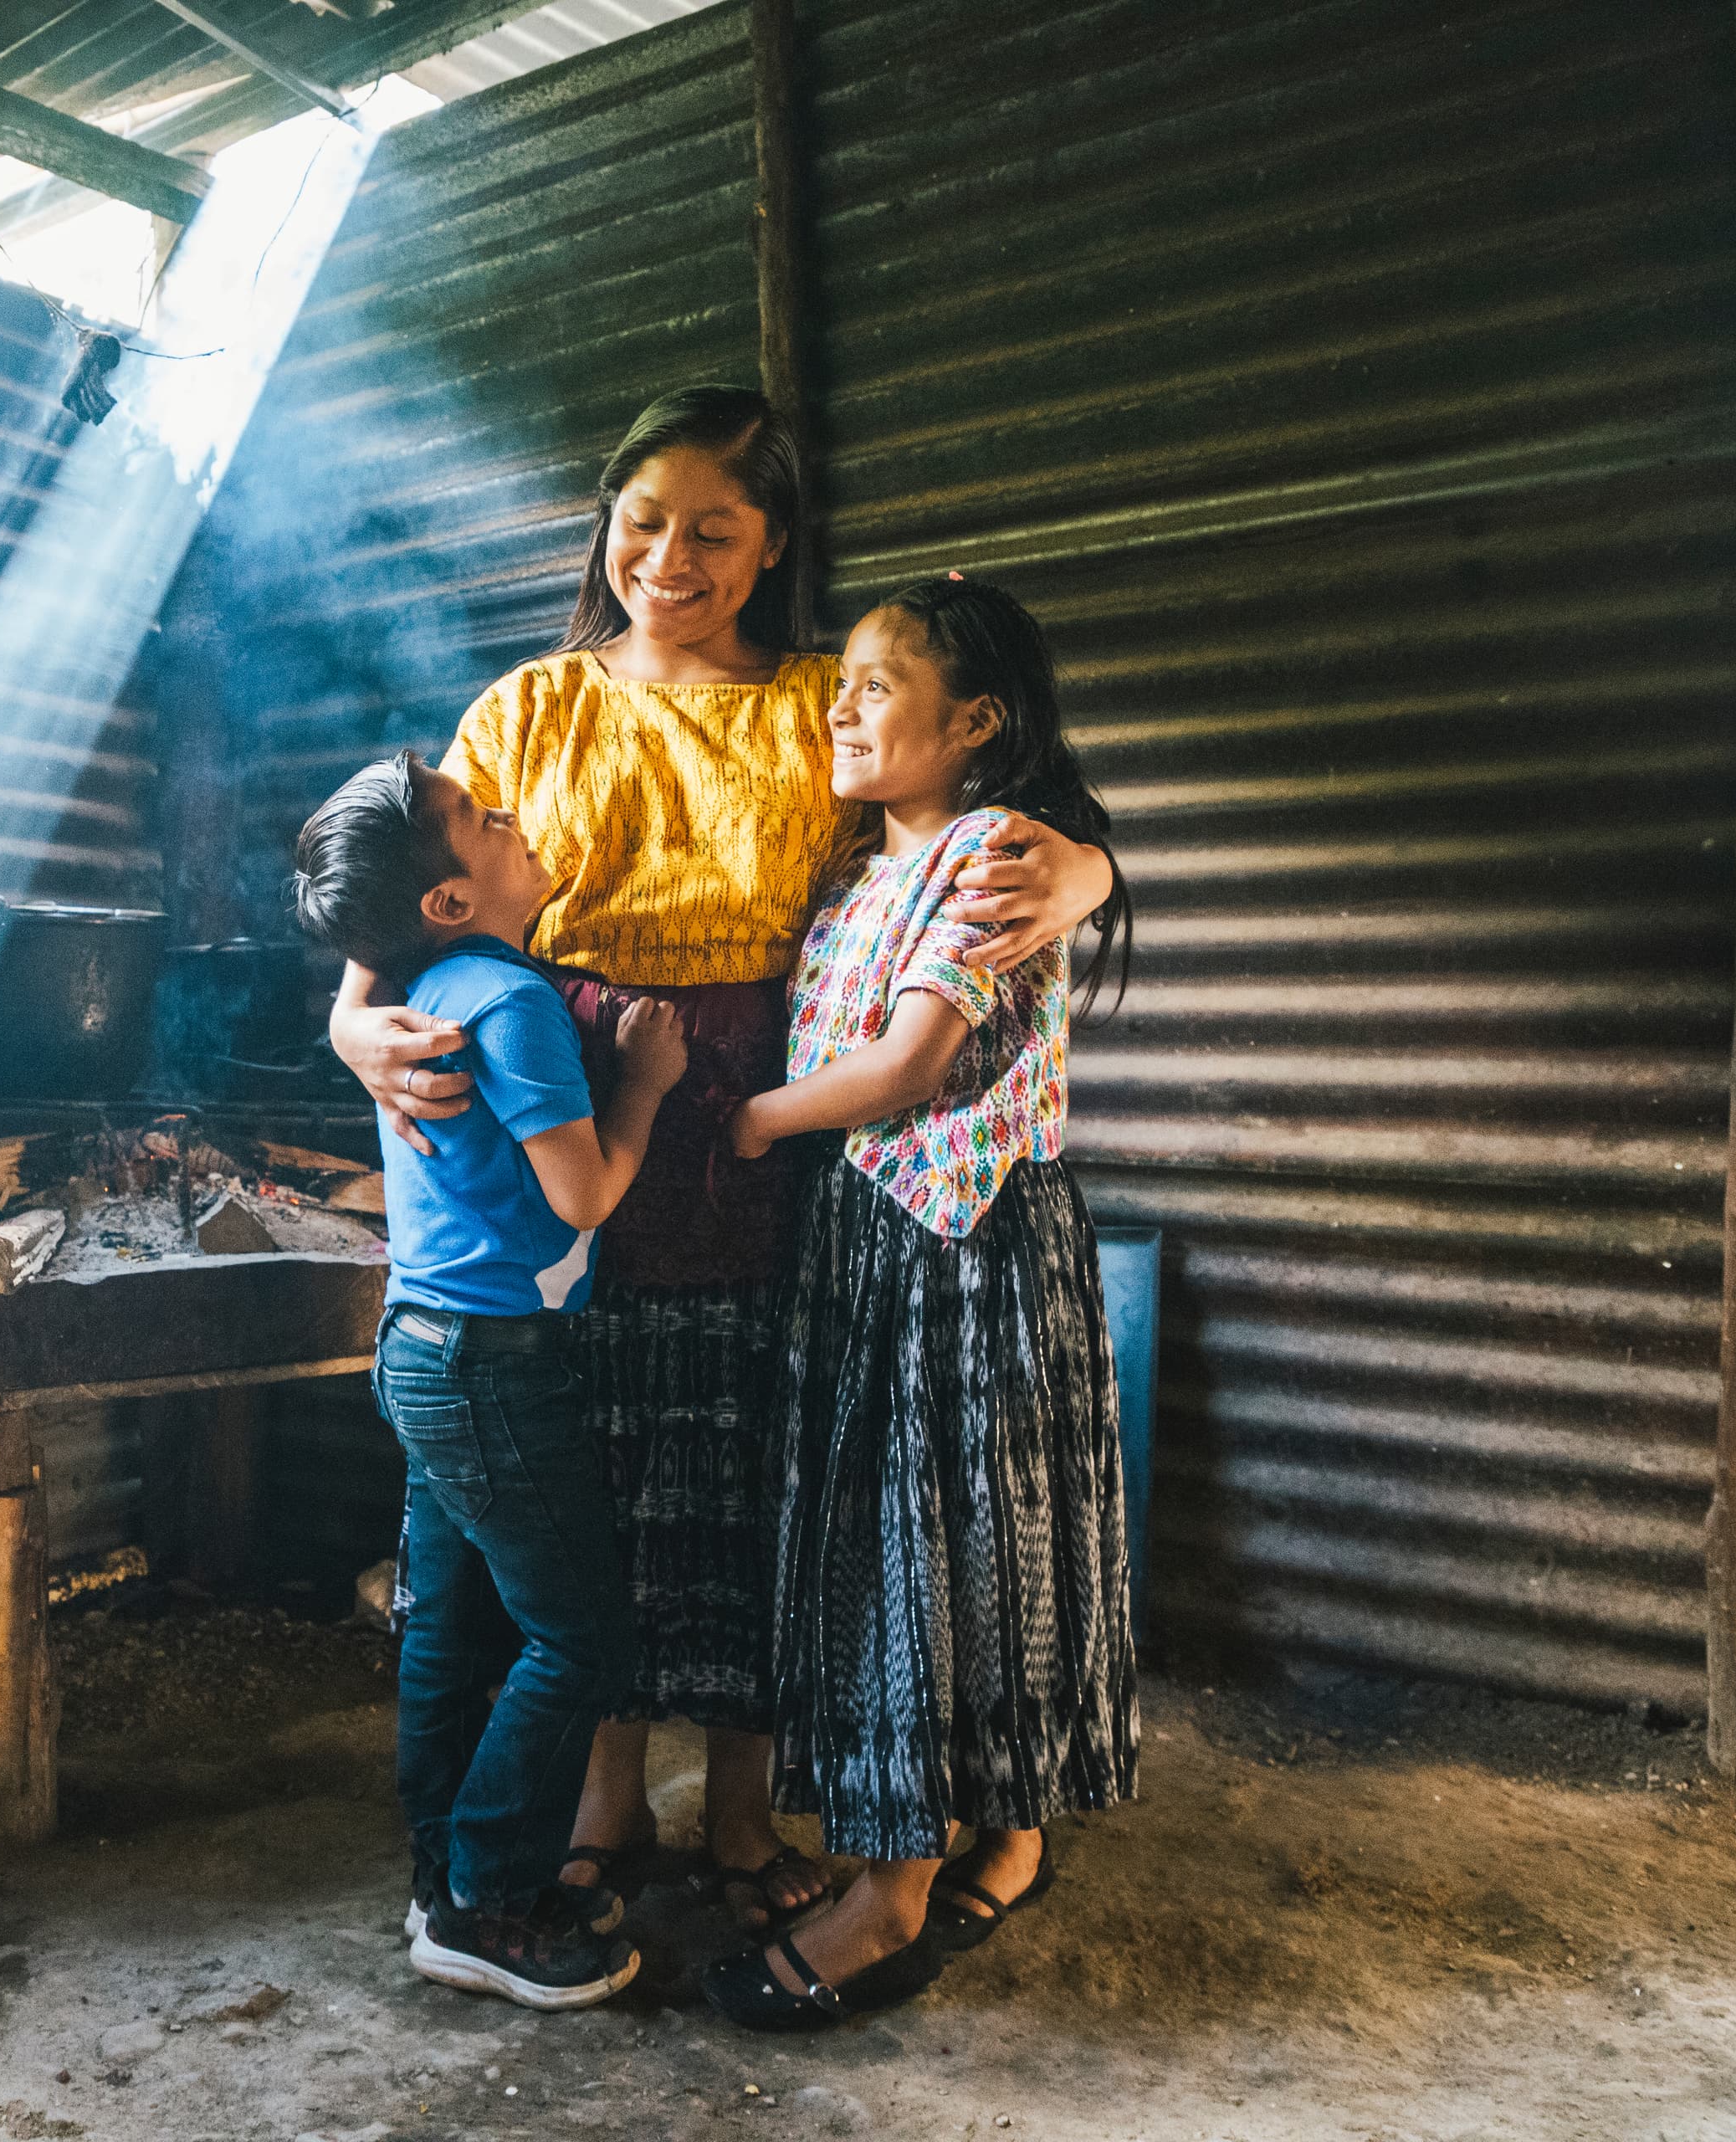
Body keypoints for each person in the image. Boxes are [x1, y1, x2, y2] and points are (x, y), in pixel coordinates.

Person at [327, 387, 1118, 1932]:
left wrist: (1084, 873)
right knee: (605, 1457)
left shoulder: (829, 702)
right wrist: (352, 1032)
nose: (669, 557)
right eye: (643, 521)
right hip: (576, 1100)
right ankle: (610, 1801)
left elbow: (993, 825)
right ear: (603, 525)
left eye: (714, 530)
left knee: (771, 1457)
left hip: (784, 1113)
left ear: (769, 551)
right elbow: (395, 923)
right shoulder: (531, 710)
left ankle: (745, 1813)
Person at [696, 576, 1139, 2031]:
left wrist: (752, 1124)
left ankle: (896, 1894)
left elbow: (906, 1071)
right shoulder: (858, 870)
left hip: (969, 1248)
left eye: (880, 686)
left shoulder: (995, 853)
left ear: (978, 724)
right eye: (846, 680)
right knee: (959, 1546)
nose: (843, 704)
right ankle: (1004, 1836)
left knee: (926, 1553)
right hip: (884, 1246)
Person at [291, 748, 689, 2011]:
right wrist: (646, 1083)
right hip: (488, 1364)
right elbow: (585, 1192)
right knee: (583, 1635)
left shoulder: (439, 985)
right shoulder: (508, 1006)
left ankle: (444, 1884)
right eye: (480, 818)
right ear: (449, 899)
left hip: (421, 1349)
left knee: (452, 1629)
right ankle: (491, 1904)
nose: (512, 818)